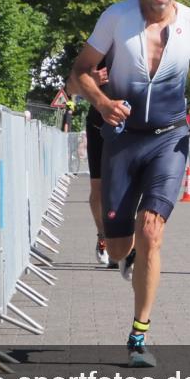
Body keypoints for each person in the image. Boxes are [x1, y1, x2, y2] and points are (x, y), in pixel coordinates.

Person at [70, 0, 190, 367]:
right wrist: (103, 104)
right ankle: (129, 258)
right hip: (122, 138)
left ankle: (138, 336)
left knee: (152, 229)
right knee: (120, 247)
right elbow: (80, 71)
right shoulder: (116, 17)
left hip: (169, 139)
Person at [66, 64, 117, 268]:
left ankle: (124, 241)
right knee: (98, 189)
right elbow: (70, 88)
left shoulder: (142, 44)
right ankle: (103, 235)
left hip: (130, 129)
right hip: (98, 127)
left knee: (127, 187)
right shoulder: (97, 50)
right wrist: (89, 81)